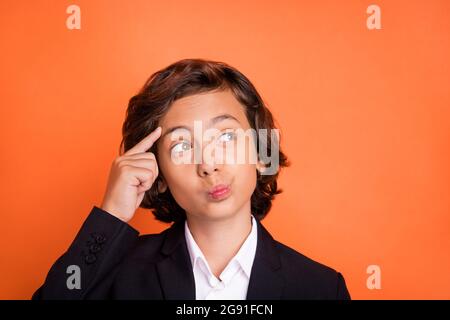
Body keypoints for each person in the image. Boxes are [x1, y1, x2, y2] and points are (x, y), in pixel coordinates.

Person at [32, 59, 351, 300]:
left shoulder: (321, 288)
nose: (209, 165)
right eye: (182, 145)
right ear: (158, 175)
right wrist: (112, 213)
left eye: (225, 136)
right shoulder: (119, 271)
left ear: (260, 150)